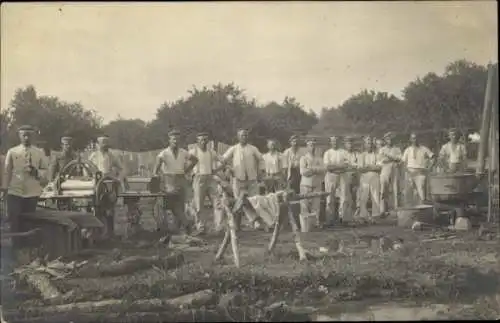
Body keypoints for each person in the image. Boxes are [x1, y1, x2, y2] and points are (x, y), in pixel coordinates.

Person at [1, 125, 48, 248]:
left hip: (31, 192)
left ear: (33, 136)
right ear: (19, 136)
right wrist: (5, 189)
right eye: (24, 135)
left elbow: (45, 172)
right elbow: (7, 171)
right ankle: (15, 248)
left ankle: (29, 248)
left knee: (29, 220)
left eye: (29, 135)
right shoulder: (13, 151)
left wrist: (36, 172)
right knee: (14, 219)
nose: (26, 137)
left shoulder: (39, 152)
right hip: (15, 191)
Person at [154, 130, 198, 235]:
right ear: (169, 140)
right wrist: (157, 174)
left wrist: (186, 170)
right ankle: (184, 226)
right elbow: (157, 165)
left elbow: (195, 160)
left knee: (181, 205)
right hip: (169, 179)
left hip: (181, 178)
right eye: (174, 139)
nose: (176, 141)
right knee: (172, 205)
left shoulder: (183, 152)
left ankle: (180, 228)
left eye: (178, 139)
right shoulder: (164, 153)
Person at [221, 129, 263, 230]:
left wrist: (260, 172)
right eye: (242, 135)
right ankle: (238, 225)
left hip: (252, 179)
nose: (244, 137)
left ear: (248, 137)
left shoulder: (253, 148)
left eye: (245, 135)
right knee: (239, 202)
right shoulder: (234, 149)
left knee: (255, 200)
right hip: (238, 179)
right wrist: (228, 168)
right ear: (238, 137)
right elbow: (223, 159)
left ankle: (258, 222)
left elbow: (261, 159)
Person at [188, 132, 224, 235]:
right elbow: (185, 164)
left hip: (210, 178)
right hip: (198, 178)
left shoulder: (211, 152)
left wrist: (216, 170)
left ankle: (219, 227)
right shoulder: (193, 152)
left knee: (217, 202)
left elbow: (223, 161)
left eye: (205, 140)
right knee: (198, 204)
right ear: (197, 141)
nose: (203, 142)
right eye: (201, 140)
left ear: (207, 141)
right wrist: (190, 175)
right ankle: (201, 227)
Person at [88, 135, 124, 237]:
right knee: (97, 208)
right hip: (96, 185)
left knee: (109, 209)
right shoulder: (93, 156)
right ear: (97, 145)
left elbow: (121, 168)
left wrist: (118, 179)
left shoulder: (112, 156)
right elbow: (87, 170)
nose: (104, 145)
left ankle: (110, 233)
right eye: (102, 143)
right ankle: (97, 232)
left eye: (106, 143)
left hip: (109, 185)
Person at [402, 132, 436, 205]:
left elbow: (433, 157)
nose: (415, 140)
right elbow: (403, 162)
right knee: (409, 193)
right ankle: (411, 211)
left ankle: (422, 209)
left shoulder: (423, 148)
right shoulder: (407, 150)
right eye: (413, 138)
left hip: (420, 172)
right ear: (410, 139)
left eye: (416, 138)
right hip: (410, 172)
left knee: (421, 193)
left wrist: (429, 168)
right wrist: (408, 172)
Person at [299, 138, 324, 227]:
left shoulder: (319, 158)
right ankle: (305, 224)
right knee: (304, 205)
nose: (312, 147)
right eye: (310, 145)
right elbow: (303, 172)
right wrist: (315, 170)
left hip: (316, 184)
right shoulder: (303, 158)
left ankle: (315, 223)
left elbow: (323, 170)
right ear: (307, 147)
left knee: (316, 205)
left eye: (313, 145)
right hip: (305, 184)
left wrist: (311, 169)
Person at [323, 136, 348, 226]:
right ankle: (330, 219)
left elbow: (346, 166)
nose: (334, 143)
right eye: (333, 141)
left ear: (339, 141)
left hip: (342, 175)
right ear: (330, 142)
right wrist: (339, 166)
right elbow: (328, 167)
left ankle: (343, 218)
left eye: (336, 141)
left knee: (344, 197)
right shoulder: (327, 153)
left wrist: (335, 166)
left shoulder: (344, 152)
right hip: (331, 176)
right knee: (329, 198)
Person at [357, 136, 382, 220]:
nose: (369, 145)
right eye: (368, 143)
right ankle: (363, 215)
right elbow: (360, 168)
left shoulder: (376, 154)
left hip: (375, 177)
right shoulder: (361, 155)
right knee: (364, 197)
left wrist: (369, 167)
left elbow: (379, 167)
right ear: (364, 144)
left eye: (370, 143)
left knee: (375, 196)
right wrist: (372, 167)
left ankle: (375, 215)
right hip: (365, 178)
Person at [379, 132, 403, 215]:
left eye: (391, 139)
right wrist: (393, 159)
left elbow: (400, 159)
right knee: (383, 189)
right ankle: (383, 210)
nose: (390, 140)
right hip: (385, 169)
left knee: (396, 188)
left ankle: (397, 209)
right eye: (388, 139)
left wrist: (389, 157)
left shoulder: (397, 149)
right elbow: (381, 161)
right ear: (385, 140)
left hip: (394, 168)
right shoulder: (382, 149)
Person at [342, 136, 358, 222]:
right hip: (345, 177)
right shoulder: (343, 154)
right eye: (348, 143)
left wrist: (352, 166)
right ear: (345, 144)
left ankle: (352, 217)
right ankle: (345, 217)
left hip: (354, 176)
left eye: (351, 143)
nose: (350, 145)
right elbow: (344, 165)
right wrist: (351, 165)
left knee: (353, 198)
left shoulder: (355, 154)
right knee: (345, 198)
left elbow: (357, 165)